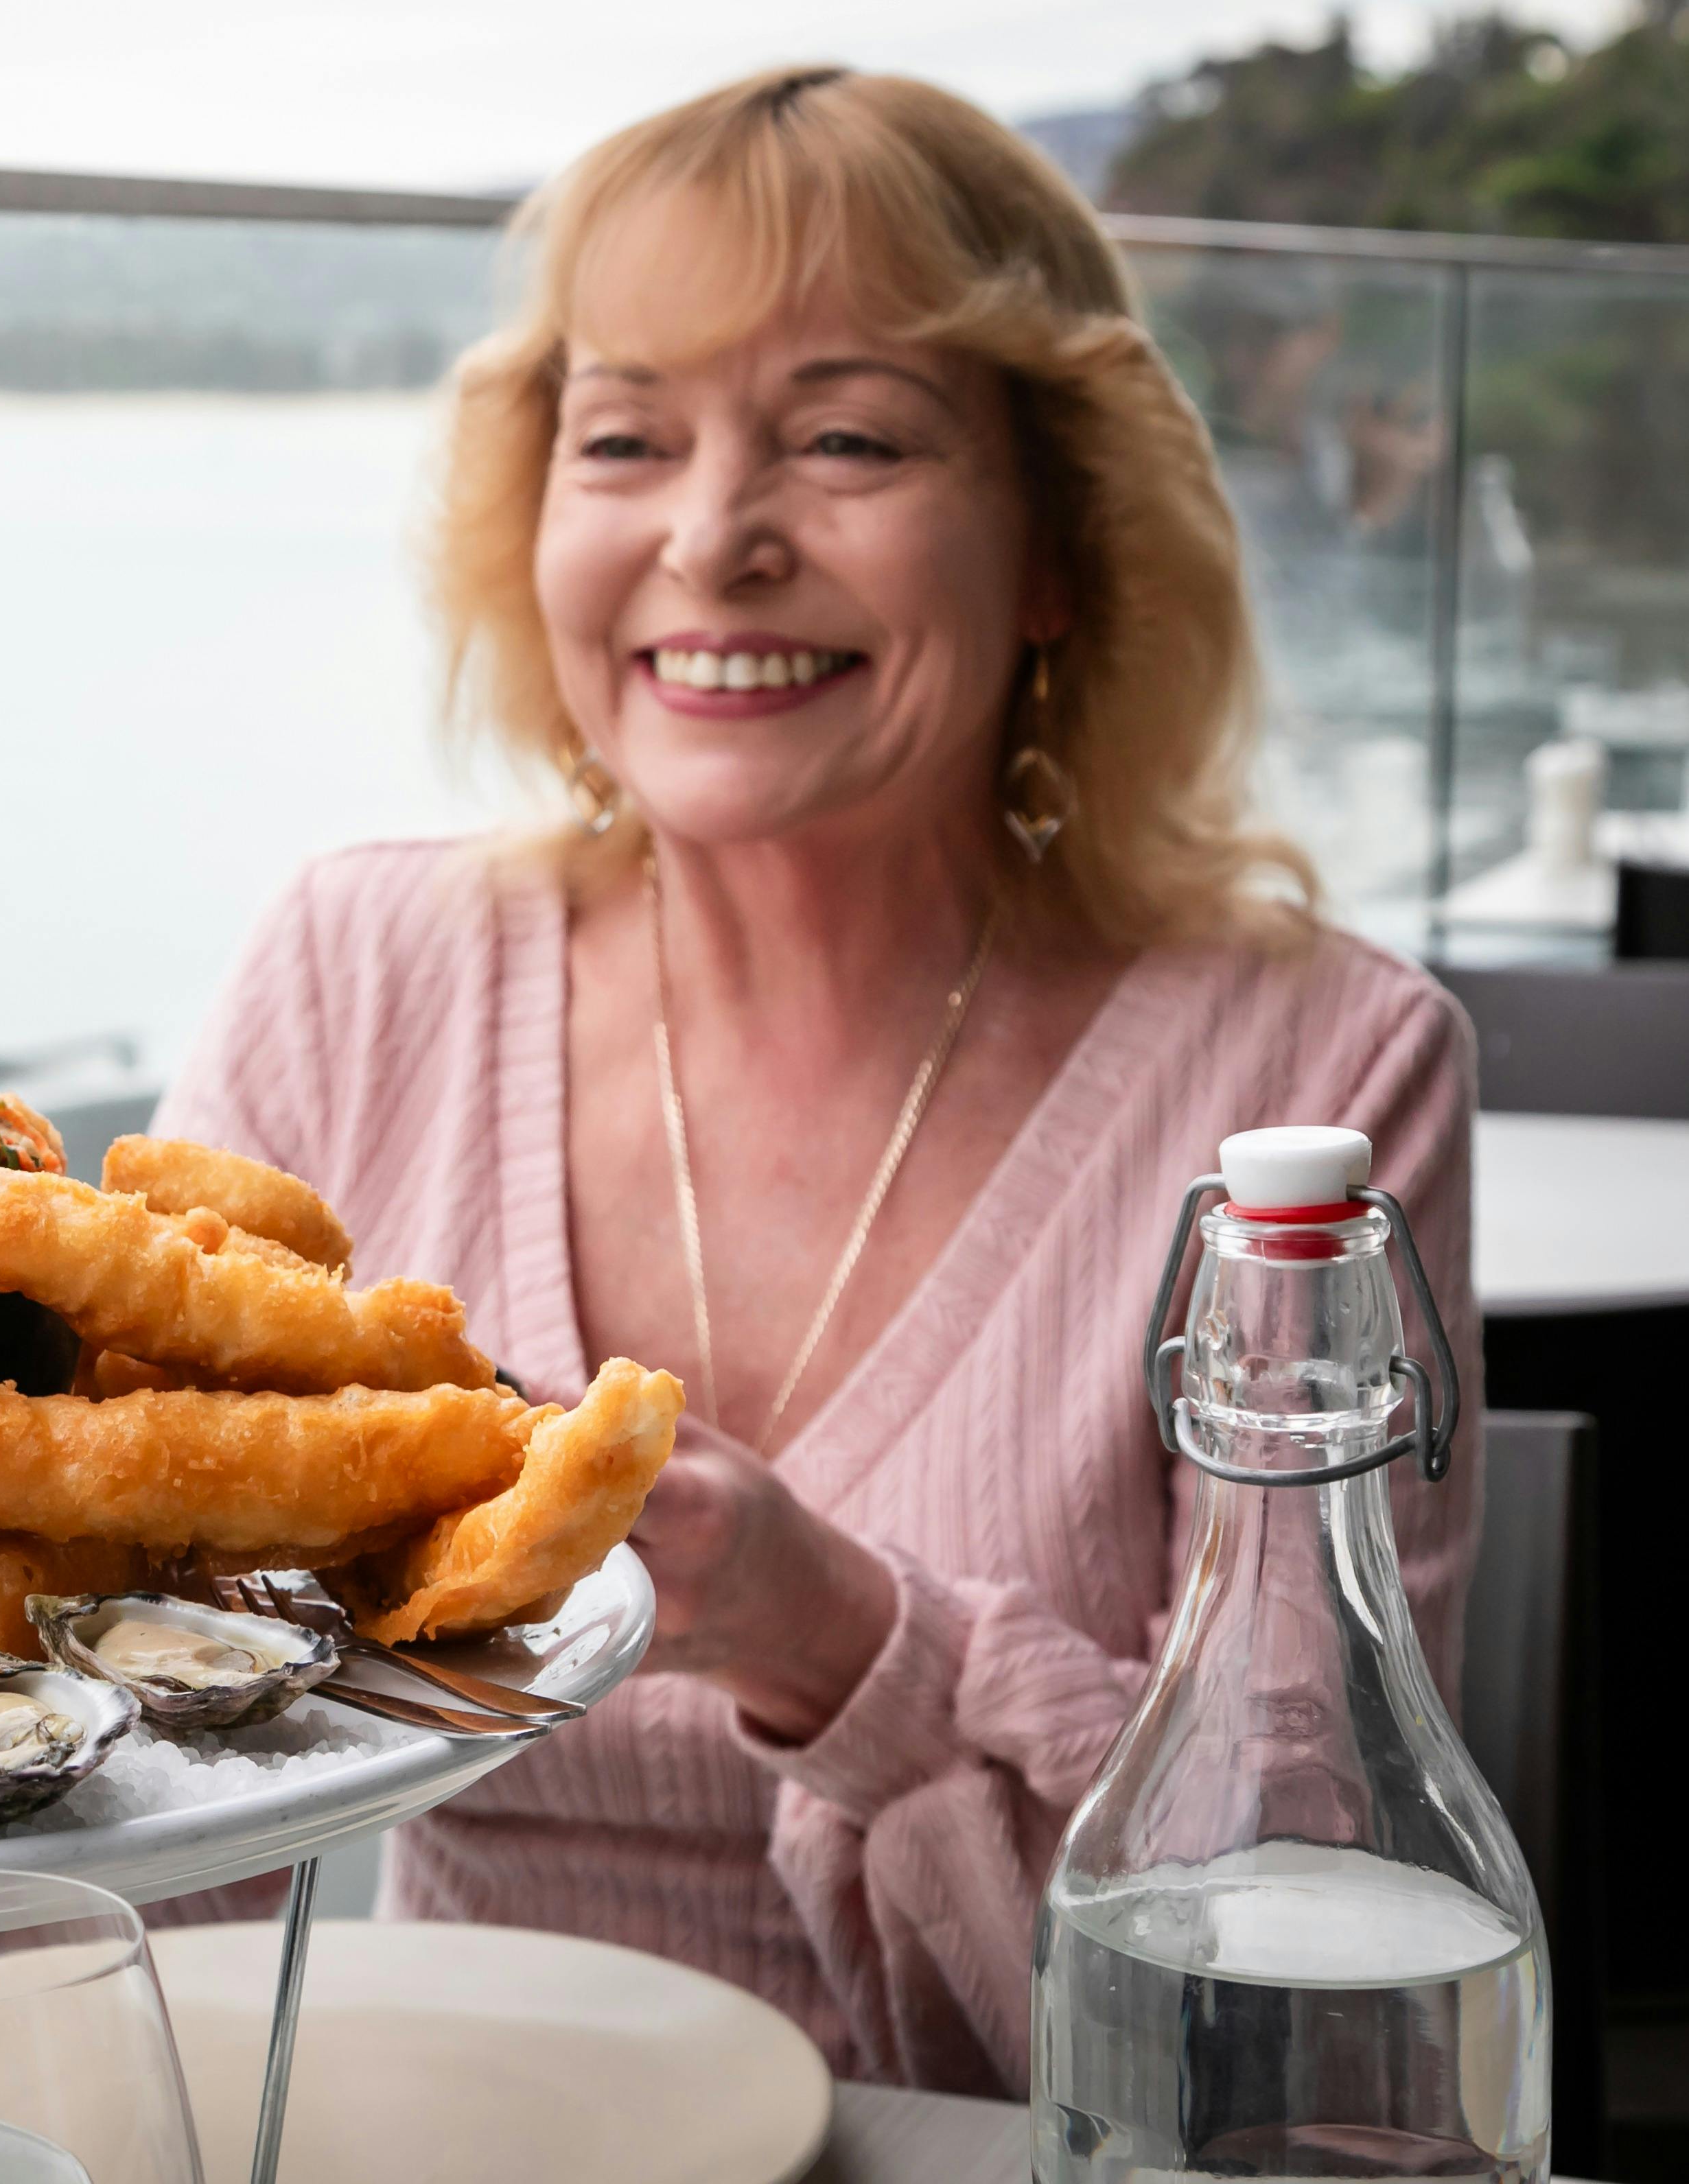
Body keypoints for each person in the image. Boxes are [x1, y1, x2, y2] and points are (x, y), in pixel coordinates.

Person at [152, 66, 1481, 2095]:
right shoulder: (351, 975)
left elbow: (1308, 1975)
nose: (712, 539)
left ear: (1058, 547)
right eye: (625, 440)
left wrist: (836, 1638)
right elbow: (130, 1810)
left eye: (847, 438)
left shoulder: (1316, 1083)